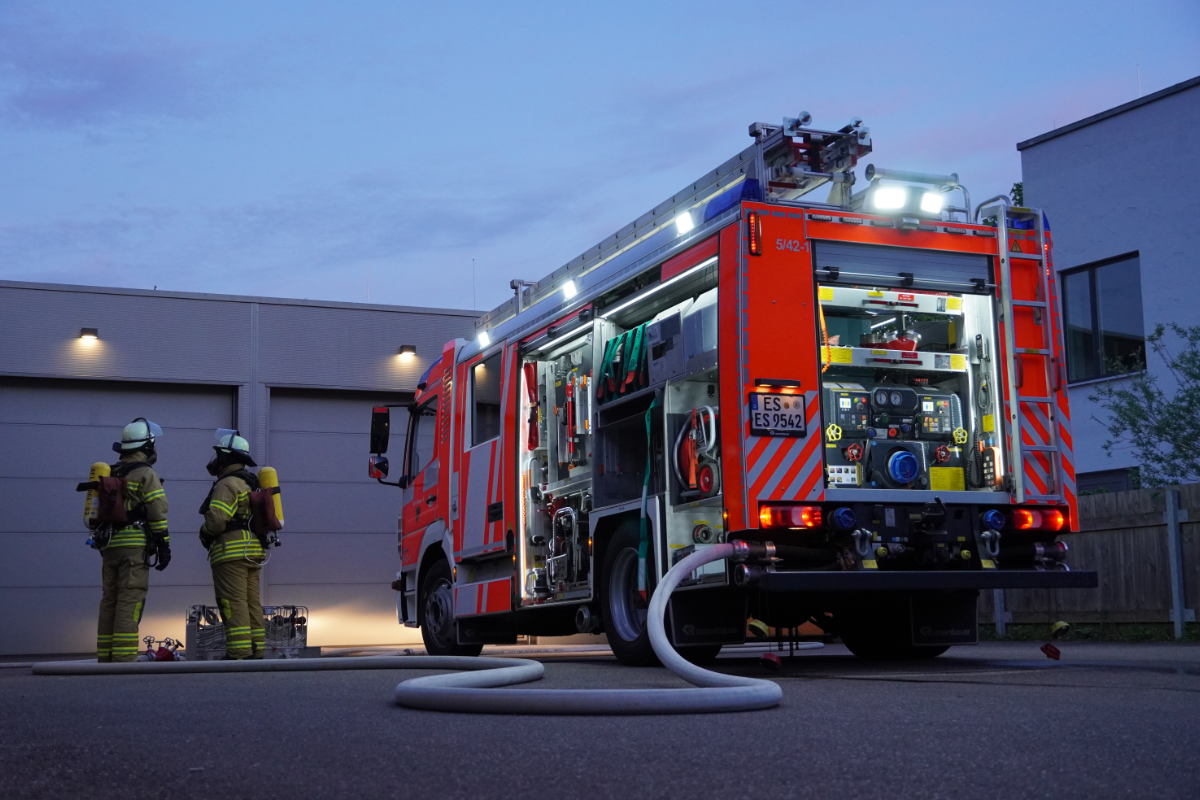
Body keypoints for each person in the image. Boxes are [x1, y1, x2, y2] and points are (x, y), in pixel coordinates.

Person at [97, 418, 171, 663]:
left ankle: (105, 654)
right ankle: (124, 655)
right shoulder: (145, 473)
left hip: (110, 546)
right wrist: (163, 543)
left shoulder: (112, 472)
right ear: (147, 446)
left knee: (110, 598)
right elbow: (158, 509)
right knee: (131, 597)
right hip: (134, 546)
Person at [199, 431, 265, 660]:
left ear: (226, 457)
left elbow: (217, 521)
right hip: (253, 551)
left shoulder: (227, 484)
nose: (215, 459)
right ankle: (256, 649)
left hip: (231, 553)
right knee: (251, 603)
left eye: (218, 454)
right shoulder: (250, 482)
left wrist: (204, 533)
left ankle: (239, 653)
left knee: (232, 602)